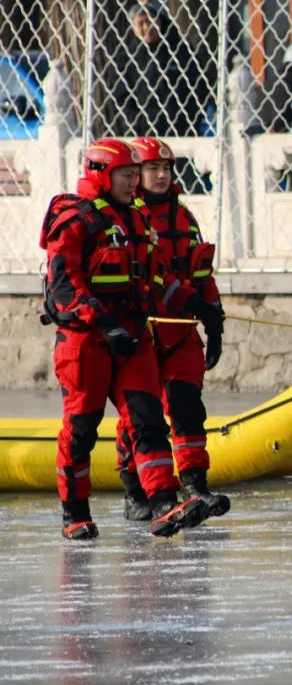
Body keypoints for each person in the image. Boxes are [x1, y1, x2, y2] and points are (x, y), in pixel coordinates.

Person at [39, 139, 222, 539]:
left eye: (134, 175)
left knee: (148, 419)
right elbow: (64, 285)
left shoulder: (137, 223)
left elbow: (157, 280)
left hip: (133, 339)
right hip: (86, 342)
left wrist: (200, 305)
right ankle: (75, 513)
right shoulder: (75, 220)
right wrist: (104, 323)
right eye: (126, 175)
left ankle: (163, 503)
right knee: (82, 430)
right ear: (101, 174)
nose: (134, 182)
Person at [114, 136, 230, 523]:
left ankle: (195, 485)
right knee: (140, 417)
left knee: (187, 409)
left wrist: (213, 317)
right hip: (143, 330)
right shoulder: (126, 219)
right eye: (152, 169)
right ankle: (136, 492)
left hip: (181, 331)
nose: (161, 176)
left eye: (166, 169)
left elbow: (200, 271)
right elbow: (152, 277)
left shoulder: (184, 217)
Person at [120, 4, 206, 137]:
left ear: (159, 20)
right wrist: (136, 123)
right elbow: (122, 96)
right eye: (140, 23)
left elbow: (200, 86)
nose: (146, 27)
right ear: (133, 28)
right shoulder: (129, 56)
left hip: (181, 129)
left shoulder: (180, 49)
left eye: (149, 21)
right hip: (145, 132)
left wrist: (190, 120)